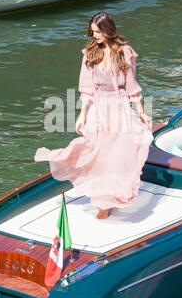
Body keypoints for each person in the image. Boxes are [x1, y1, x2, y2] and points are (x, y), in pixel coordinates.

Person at [35, 12, 153, 219]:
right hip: (99, 108)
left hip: (119, 107)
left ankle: (106, 202)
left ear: (108, 30)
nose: (94, 35)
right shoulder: (90, 52)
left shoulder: (124, 52)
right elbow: (87, 88)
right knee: (96, 153)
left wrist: (141, 112)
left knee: (116, 156)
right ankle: (102, 200)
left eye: (98, 31)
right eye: (93, 31)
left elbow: (131, 85)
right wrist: (82, 115)